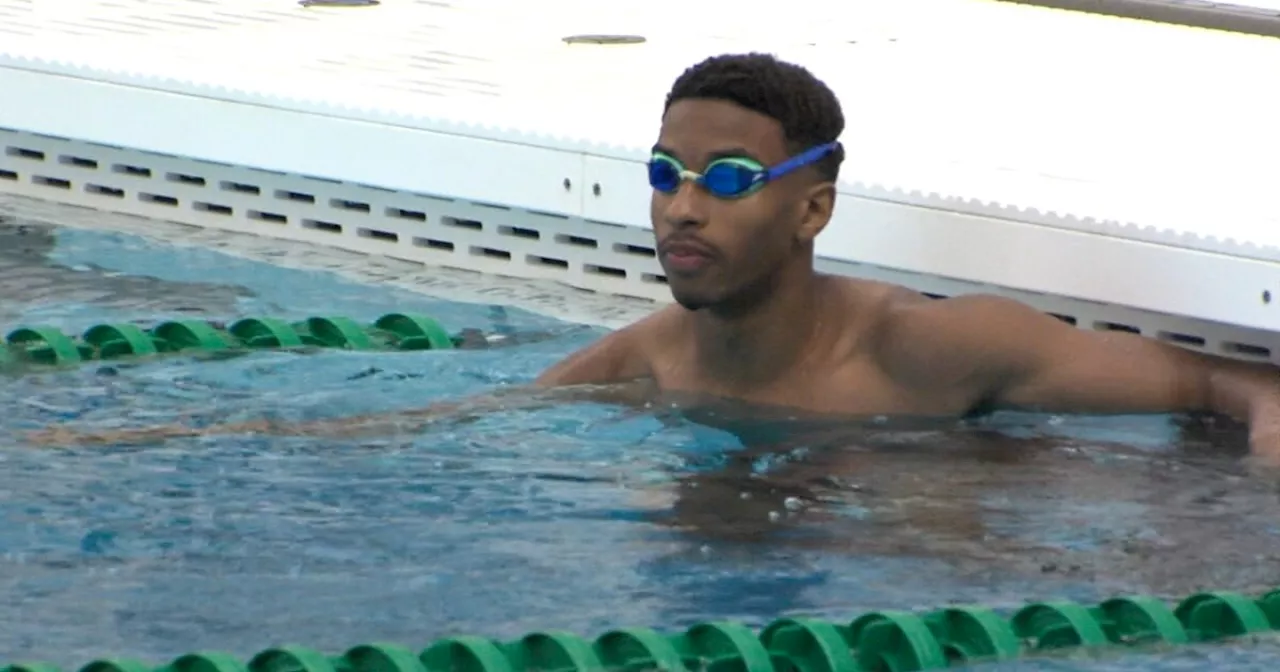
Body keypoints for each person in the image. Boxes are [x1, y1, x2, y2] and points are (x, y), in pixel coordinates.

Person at [28, 52, 1280, 461]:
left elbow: (1224, 386)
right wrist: (153, 437)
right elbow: (428, 426)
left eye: (727, 180)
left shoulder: (931, 347)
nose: (683, 206)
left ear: (811, 208)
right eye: (666, 174)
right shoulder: (641, 364)